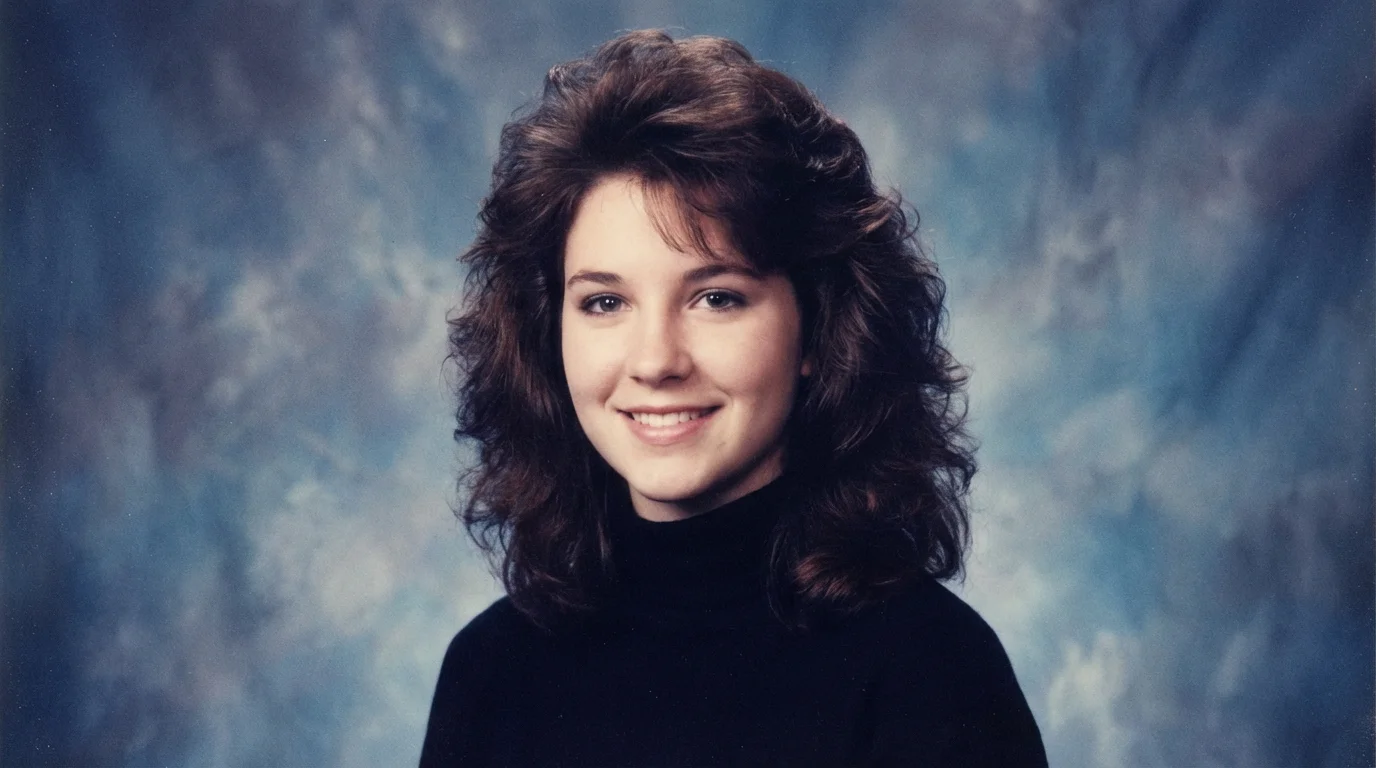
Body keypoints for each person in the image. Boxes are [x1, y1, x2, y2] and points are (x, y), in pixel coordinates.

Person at [421, 29, 1047, 767]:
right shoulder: (492, 670)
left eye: (716, 297)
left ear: (818, 332)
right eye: (603, 303)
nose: (655, 361)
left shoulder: (930, 670)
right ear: (547, 331)